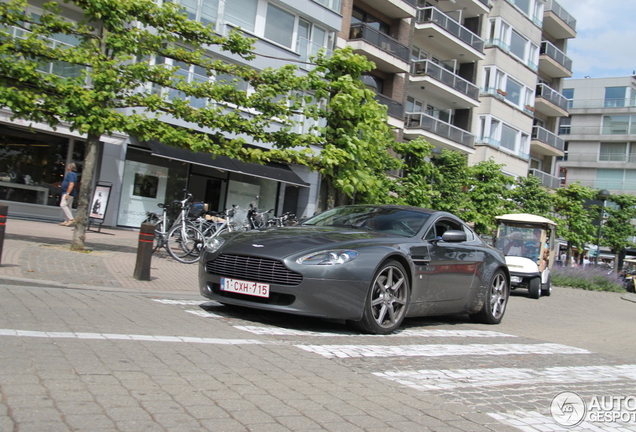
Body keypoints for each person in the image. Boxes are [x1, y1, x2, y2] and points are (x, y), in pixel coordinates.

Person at [60, 162, 77, 226]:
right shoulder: (74, 174)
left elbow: (71, 184)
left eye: (68, 166)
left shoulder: (71, 174)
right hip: (70, 193)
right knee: (68, 206)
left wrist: (67, 193)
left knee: (63, 205)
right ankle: (66, 220)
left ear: (69, 168)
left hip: (68, 193)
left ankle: (71, 219)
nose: (67, 167)